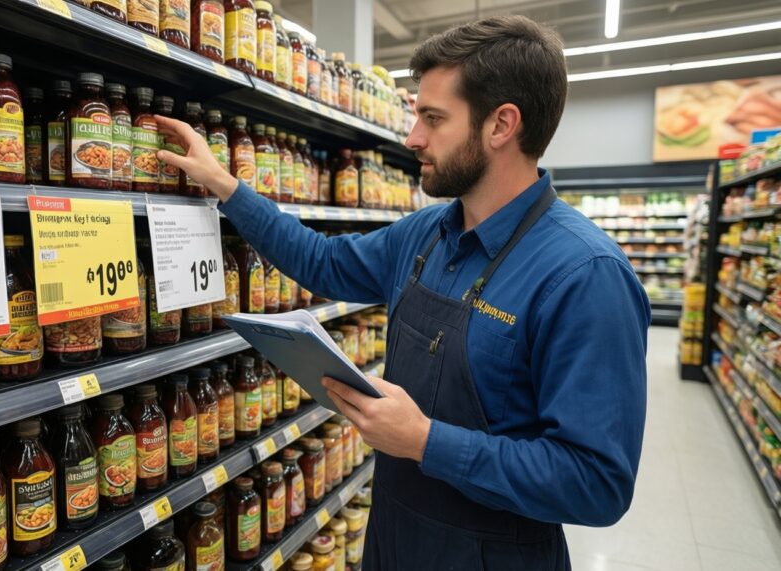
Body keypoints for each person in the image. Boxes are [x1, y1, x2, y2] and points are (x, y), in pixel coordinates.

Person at [155, 15, 649, 571]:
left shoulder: (585, 274)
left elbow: (597, 483)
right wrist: (226, 187)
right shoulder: (428, 232)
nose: (412, 138)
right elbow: (323, 261)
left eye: (433, 119)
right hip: (393, 536)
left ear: (502, 125)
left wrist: (424, 441)